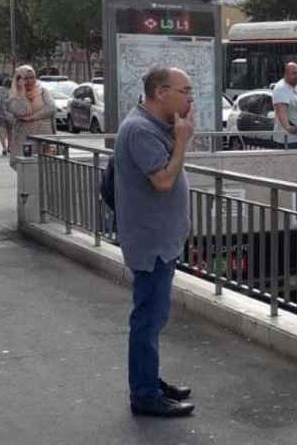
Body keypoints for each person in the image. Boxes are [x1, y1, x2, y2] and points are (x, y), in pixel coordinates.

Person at [115, 66, 196, 417]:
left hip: (159, 239)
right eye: (185, 91)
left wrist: (178, 134)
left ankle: (149, 380)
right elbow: (163, 181)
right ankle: (145, 395)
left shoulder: (150, 126)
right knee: (148, 319)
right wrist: (181, 141)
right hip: (151, 243)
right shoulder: (140, 130)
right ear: (161, 92)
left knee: (153, 317)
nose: (190, 98)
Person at [6, 65, 55, 169]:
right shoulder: (13, 97)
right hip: (24, 138)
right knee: (25, 166)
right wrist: (22, 93)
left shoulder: (43, 91)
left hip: (44, 137)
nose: (29, 81)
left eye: (32, 77)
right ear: (18, 80)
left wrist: (32, 117)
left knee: (46, 167)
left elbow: (51, 108)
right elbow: (22, 111)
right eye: (25, 78)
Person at [0, 76, 11, 155]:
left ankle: (4, 148)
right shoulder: (13, 92)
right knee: (10, 131)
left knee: (2, 131)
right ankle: (9, 147)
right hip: (11, 114)